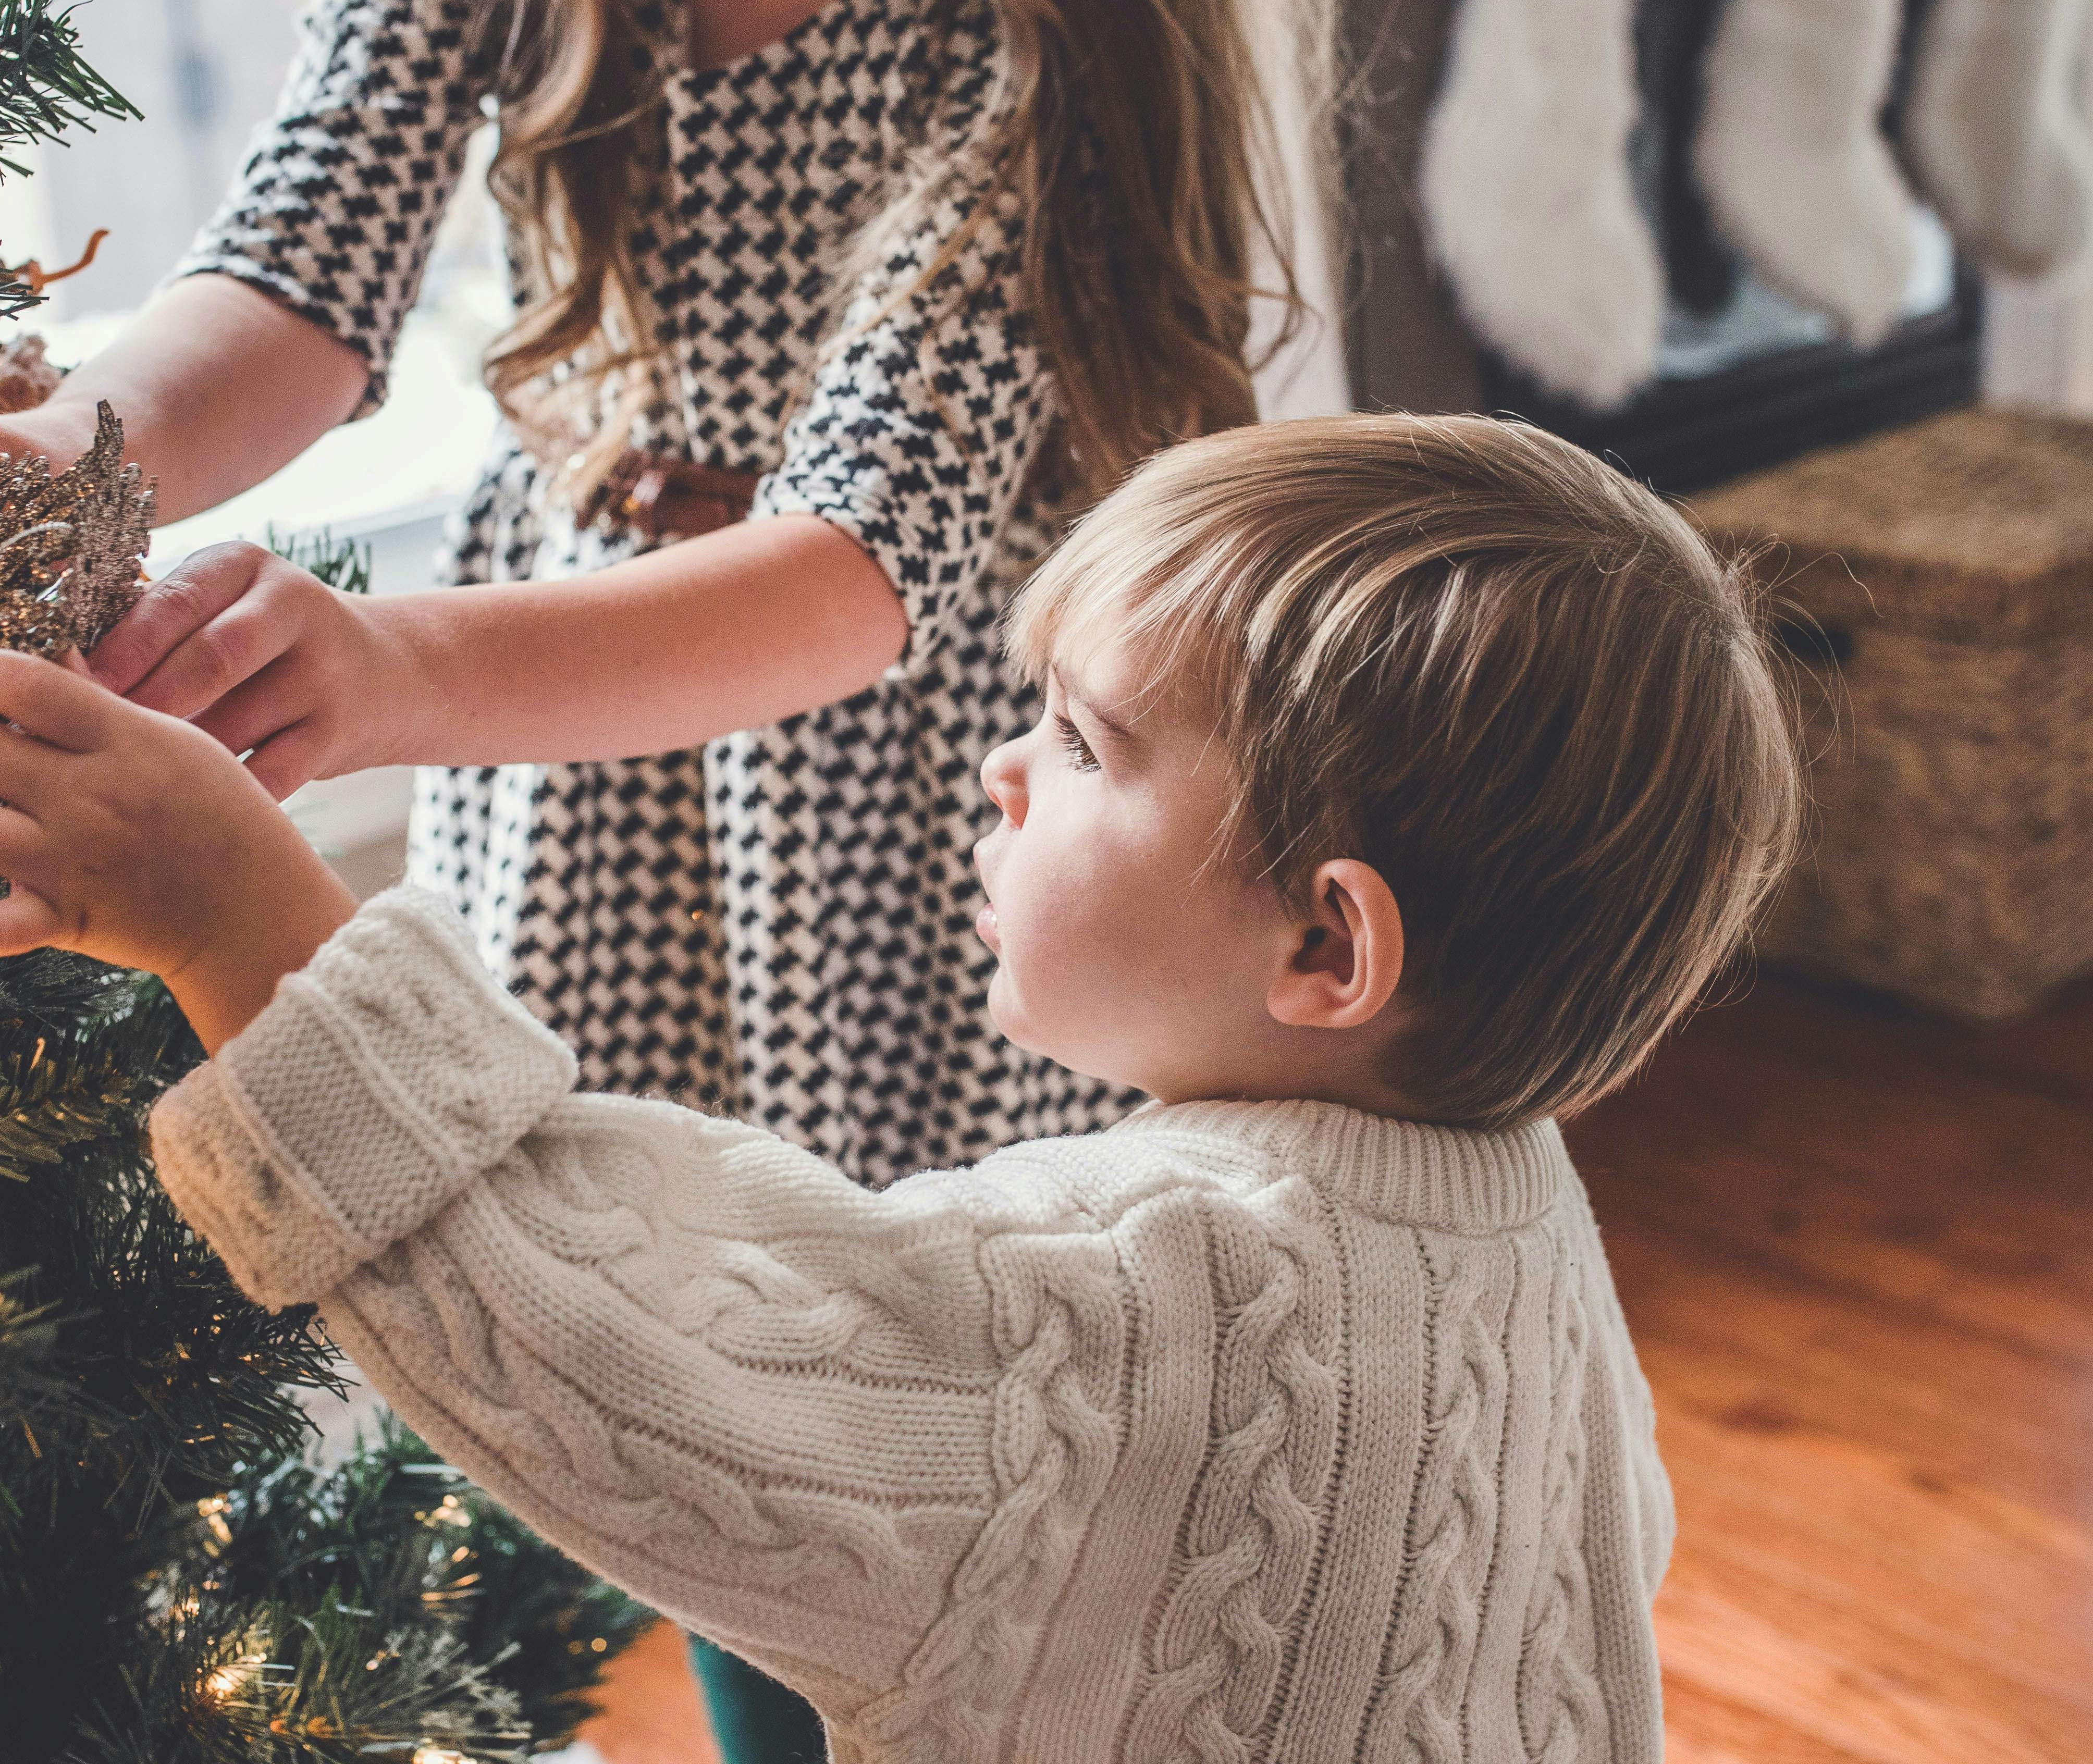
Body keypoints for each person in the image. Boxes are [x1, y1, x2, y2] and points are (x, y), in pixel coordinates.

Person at [0, 0, 1338, 1738]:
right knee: (658, 1373)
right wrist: (73, 461)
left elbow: (857, 564)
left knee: (882, 1412)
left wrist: (389, 671)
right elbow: (294, 276)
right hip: (588, 797)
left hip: (903, 814)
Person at [0, 412, 1803, 1763]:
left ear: (1328, 952)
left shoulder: (1126, 1292)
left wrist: (242, 920)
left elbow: (607, 1348)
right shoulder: (1522, 1209)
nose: (1010, 768)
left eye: (1088, 743)